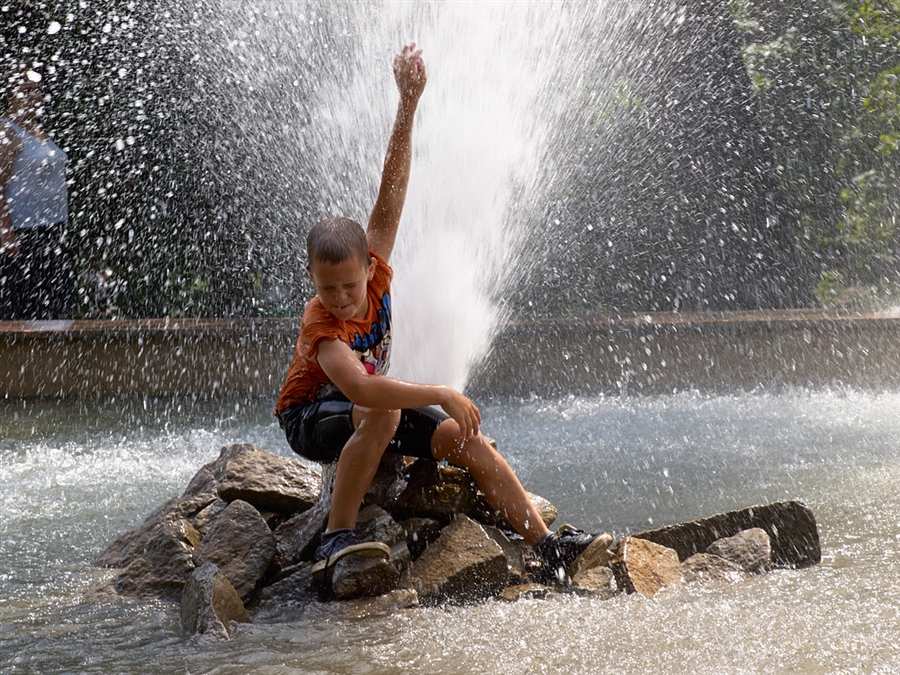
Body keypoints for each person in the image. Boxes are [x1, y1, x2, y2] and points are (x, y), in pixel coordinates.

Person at [275, 44, 610, 589]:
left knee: (465, 438)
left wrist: (408, 102)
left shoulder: (377, 268)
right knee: (381, 413)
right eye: (326, 287)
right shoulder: (323, 329)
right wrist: (440, 390)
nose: (339, 296)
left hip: (366, 406)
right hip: (311, 416)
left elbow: (391, 192)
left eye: (349, 285)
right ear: (313, 281)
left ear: (368, 267)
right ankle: (335, 539)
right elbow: (366, 390)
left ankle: (548, 548)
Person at [0, 66, 75, 320]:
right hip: (23, 234)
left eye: (37, 91)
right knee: (23, 314)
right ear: (10, 97)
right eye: (26, 91)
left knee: (57, 312)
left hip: (52, 230)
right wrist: (8, 240)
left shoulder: (37, 129)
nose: (33, 97)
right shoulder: (7, 132)